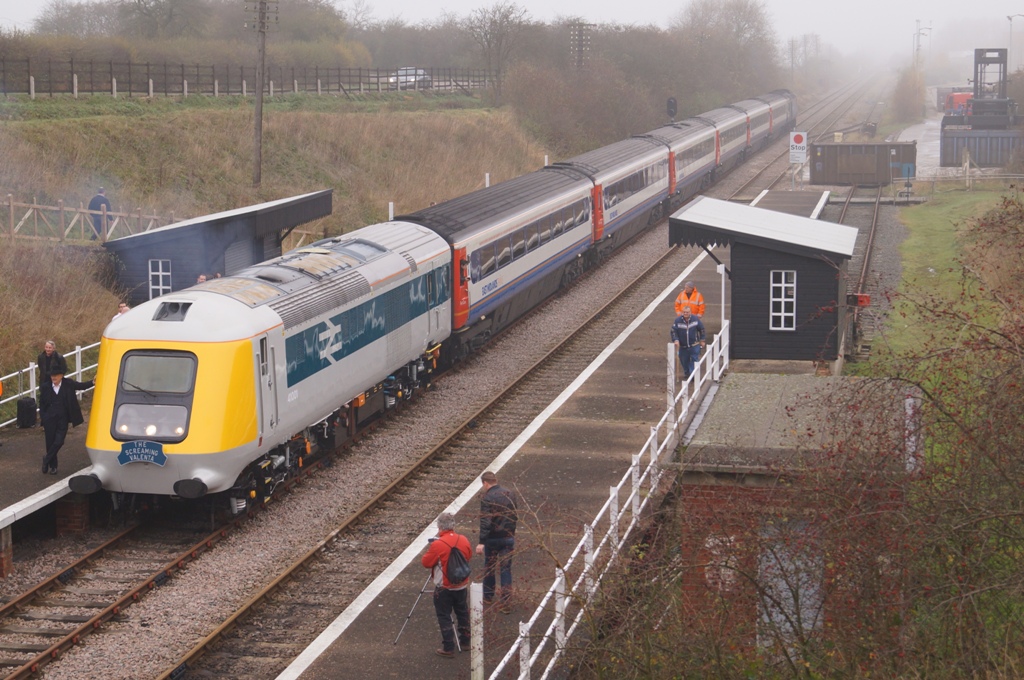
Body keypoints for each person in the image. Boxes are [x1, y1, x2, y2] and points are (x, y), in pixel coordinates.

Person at [421, 512, 471, 658]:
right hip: (461, 585)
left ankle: (448, 647)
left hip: (444, 587)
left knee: (444, 615)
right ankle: (466, 641)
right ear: (453, 525)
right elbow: (468, 556)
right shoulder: (464, 539)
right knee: (462, 612)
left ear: (440, 527)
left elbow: (426, 563)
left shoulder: (438, 544)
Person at [475, 471, 518, 613]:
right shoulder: (509, 494)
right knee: (506, 569)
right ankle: (506, 602)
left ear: (485, 483)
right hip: (507, 537)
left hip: (492, 539)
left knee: (489, 567)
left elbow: (485, 521)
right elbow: (514, 516)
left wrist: (482, 541)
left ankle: (488, 596)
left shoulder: (487, 497)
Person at [39, 367, 94, 475]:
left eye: (56, 375)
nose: (53, 377)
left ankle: (46, 459)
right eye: (52, 375)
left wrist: (93, 382)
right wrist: (44, 417)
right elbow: (41, 403)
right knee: (50, 443)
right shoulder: (45, 387)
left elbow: (81, 386)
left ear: (61, 376)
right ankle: (53, 466)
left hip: (62, 418)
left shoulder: (68, 383)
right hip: (49, 419)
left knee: (59, 441)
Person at [671, 305, 706, 380]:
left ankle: (693, 375)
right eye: (684, 312)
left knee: (694, 359)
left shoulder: (695, 319)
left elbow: (702, 329)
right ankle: (687, 373)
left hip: (694, 344)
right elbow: (674, 331)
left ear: (690, 312)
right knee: (684, 360)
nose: (685, 313)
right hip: (683, 346)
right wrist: (676, 340)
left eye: (687, 312)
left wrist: (702, 340)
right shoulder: (677, 321)